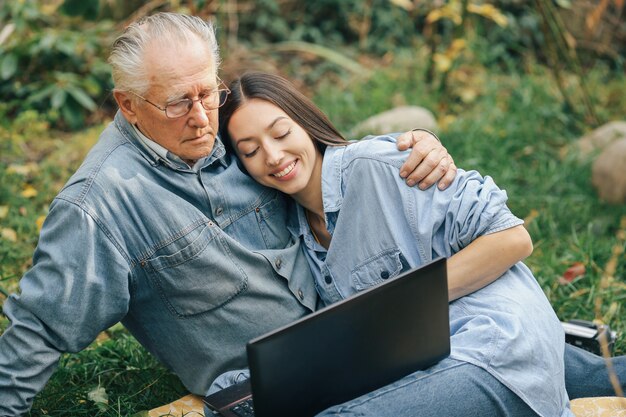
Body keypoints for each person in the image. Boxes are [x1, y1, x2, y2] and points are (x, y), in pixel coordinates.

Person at [0, 13, 456, 416]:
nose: (201, 118)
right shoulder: (99, 205)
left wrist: (410, 145)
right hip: (267, 396)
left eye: (207, 92)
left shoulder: (236, 129)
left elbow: (316, 159)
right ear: (129, 105)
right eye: (179, 102)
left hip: (367, 333)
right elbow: (39, 326)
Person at [219, 72, 626, 416]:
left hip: (493, 343)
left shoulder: (384, 166)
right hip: (429, 357)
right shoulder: (295, 230)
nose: (273, 156)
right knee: (600, 376)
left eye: (281, 133)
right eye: (251, 151)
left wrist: (402, 305)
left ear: (305, 122)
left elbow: (513, 237)